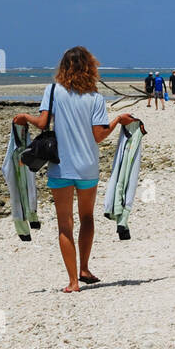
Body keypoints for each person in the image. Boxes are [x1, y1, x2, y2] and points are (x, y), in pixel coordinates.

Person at [13, 46, 135, 292]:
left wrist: (25, 117)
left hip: (61, 167)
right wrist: (117, 121)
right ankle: (85, 268)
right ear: (90, 67)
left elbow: (43, 123)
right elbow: (99, 136)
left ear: (63, 68)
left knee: (65, 224)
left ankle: (72, 282)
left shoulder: (53, 91)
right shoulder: (95, 98)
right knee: (87, 217)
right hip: (88, 167)